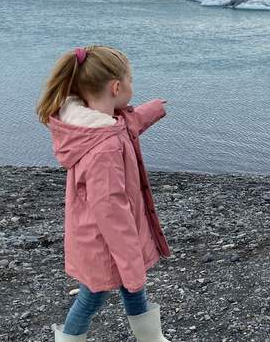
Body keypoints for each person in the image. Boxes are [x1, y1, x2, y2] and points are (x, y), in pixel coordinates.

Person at [35, 45, 172, 342]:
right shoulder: (105, 147)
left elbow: (127, 125)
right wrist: (131, 262)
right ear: (117, 87)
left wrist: (152, 110)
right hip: (105, 244)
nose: (133, 87)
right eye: (131, 81)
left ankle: (152, 338)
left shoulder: (92, 125)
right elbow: (110, 208)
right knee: (93, 297)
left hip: (101, 239)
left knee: (132, 291)